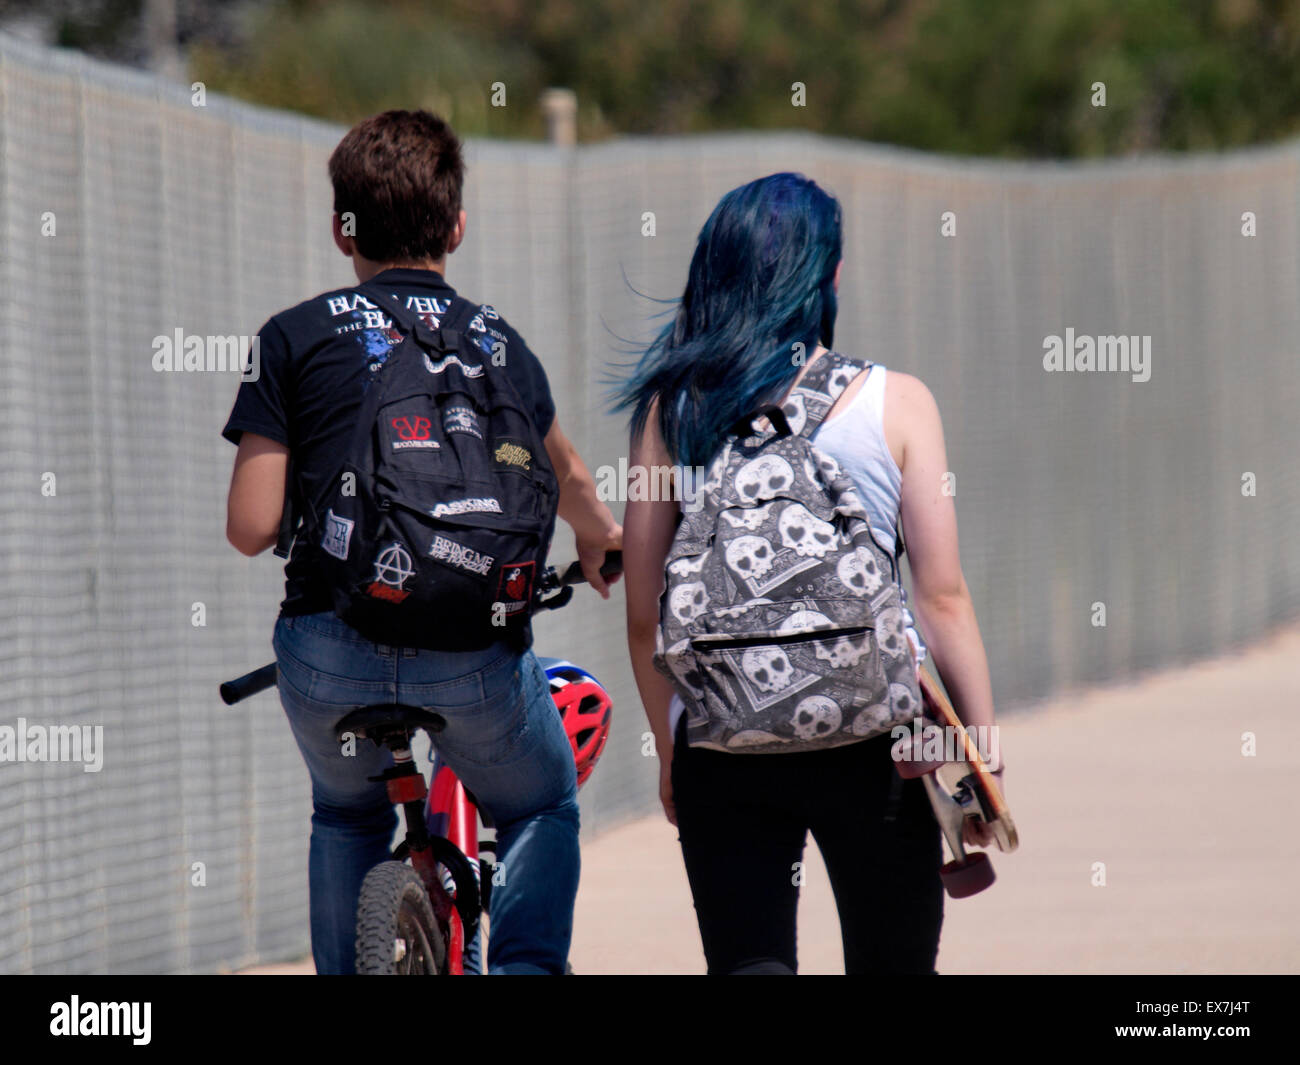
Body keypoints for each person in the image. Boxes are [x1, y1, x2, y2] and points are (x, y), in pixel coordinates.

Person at [221, 110, 621, 975]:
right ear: (457, 226)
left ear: (341, 229)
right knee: (542, 800)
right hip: (471, 653)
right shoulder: (500, 343)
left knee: (346, 813)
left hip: (328, 650)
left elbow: (252, 529)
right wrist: (601, 548)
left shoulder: (289, 336)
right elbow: (577, 487)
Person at [618, 172, 1001, 975]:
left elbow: (647, 611)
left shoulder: (669, 412)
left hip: (724, 747)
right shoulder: (898, 403)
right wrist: (980, 749)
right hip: (877, 744)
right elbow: (940, 595)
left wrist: (671, 746)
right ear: (826, 277)